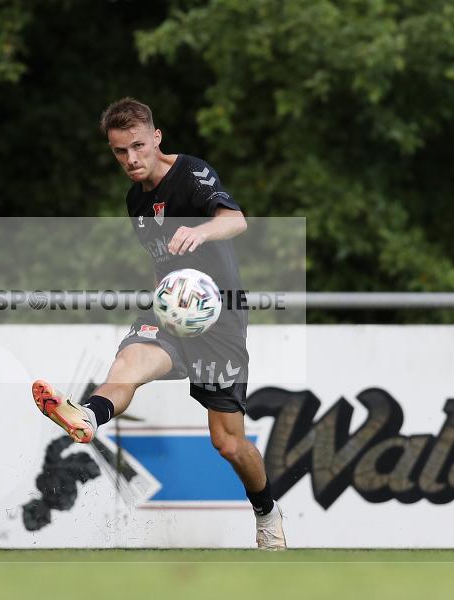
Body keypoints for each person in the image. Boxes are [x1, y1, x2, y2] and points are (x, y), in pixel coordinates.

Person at [31, 97, 285, 550]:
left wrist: (201, 230)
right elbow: (159, 262)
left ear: (156, 138)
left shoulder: (191, 174)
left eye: (138, 146)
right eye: (119, 151)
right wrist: (158, 301)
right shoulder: (135, 200)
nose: (131, 159)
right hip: (169, 312)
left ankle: (266, 512)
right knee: (125, 367)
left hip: (219, 319)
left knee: (228, 444)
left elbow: (236, 220)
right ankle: (87, 416)